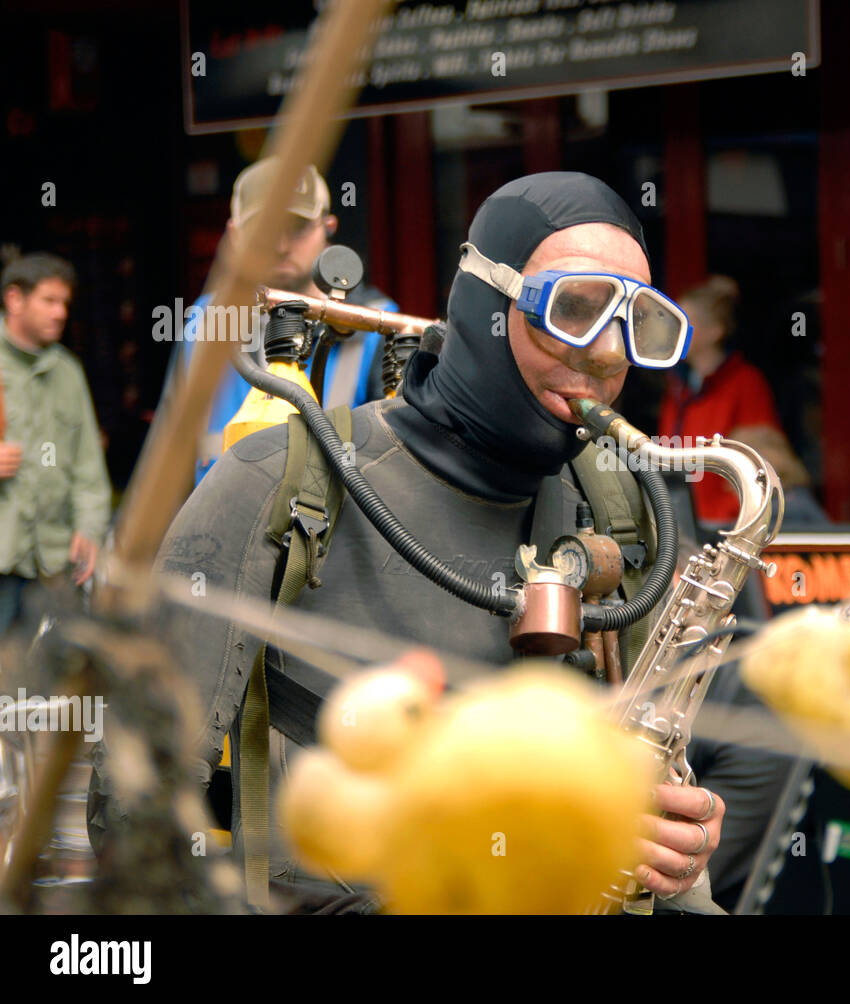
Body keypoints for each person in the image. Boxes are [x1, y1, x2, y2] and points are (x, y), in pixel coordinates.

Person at [92, 173, 788, 913]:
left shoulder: (615, 505)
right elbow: (133, 830)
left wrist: (673, 862)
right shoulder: (278, 485)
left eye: (639, 323)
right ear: (488, 304)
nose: (609, 354)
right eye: (573, 310)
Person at [164, 158, 396, 485]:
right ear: (234, 234)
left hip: (339, 533)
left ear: (328, 227)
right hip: (221, 529)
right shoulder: (204, 323)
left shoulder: (377, 324)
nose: (281, 245)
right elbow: (168, 461)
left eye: (297, 227)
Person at [0, 253, 112, 636]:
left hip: (52, 560)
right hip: (3, 555)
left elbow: (88, 466)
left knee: (42, 688)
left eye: (65, 303)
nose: (60, 312)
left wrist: (90, 528)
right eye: (49, 300)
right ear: (15, 299)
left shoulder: (68, 371)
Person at [658, 276, 823, 527]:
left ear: (715, 332)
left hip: (728, 529)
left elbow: (764, 467)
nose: (674, 331)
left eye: (685, 322)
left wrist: (730, 513)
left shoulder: (745, 383)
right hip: (683, 527)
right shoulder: (679, 390)